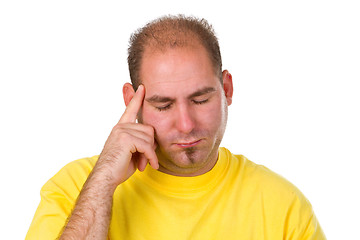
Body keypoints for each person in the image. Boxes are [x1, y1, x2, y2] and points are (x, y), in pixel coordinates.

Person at [26, 15, 326, 240]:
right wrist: (103, 181)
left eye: (200, 99)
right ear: (133, 102)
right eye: (163, 105)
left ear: (227, 89)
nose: (186, 125)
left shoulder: (283, 205)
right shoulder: (75, 189)